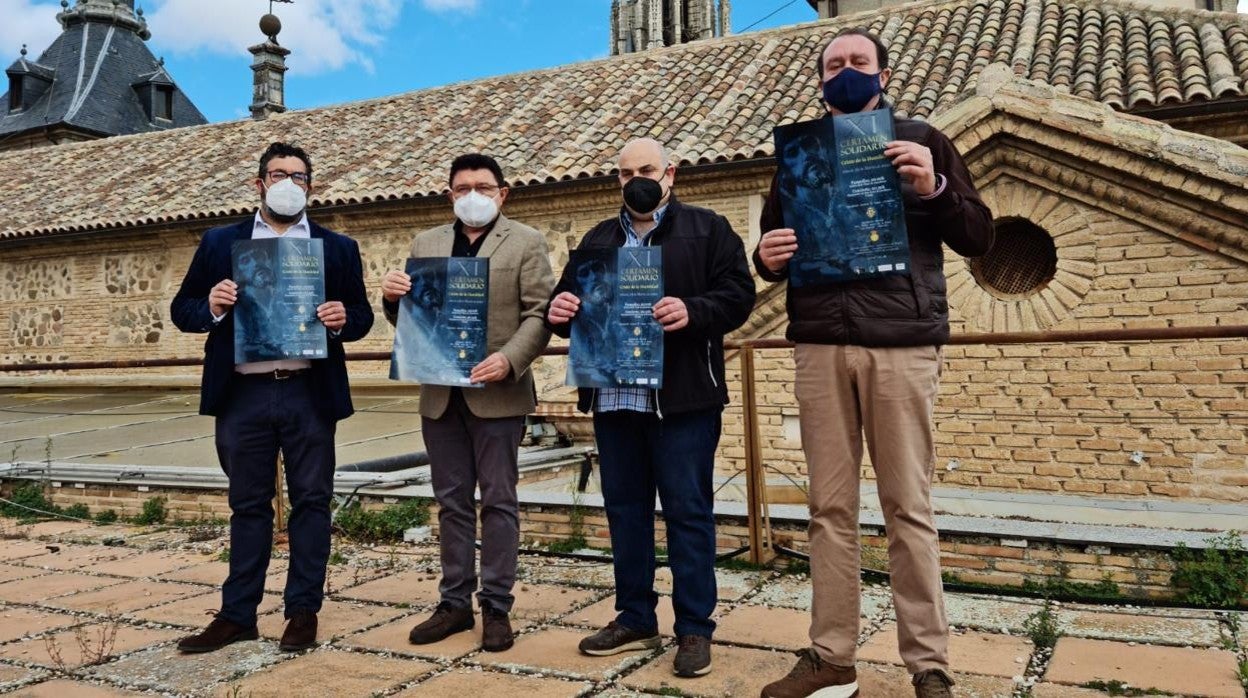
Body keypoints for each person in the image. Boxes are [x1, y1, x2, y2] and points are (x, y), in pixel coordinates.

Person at [754, 28, 994, 698]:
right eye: (835, 65)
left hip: (902, 343)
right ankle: (831, 657)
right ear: (821, 80)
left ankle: (929, 663)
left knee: (906, 505)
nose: (847, 72)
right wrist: (764, 258)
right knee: (829, 507)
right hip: (820, 344)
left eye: (859, 62)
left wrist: (935, 186)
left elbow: (979, 234)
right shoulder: (799, 155)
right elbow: (774, 245)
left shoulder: (922, 139)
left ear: (883, 75)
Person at [546, 138, 756, 678]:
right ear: (616, 180)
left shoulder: (708, 229)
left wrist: (693, 308)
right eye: (624, 172)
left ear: (670, 174)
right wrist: (559, 309)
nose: (635, 178)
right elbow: (566, 305)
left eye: (645, 169)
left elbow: (739, 296)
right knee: (625, 512)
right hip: (614, 398)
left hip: (683, 400)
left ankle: (694, 629)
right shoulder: (596, 239)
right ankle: (635, 615)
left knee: (688, 513)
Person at [170, 142, 374, 653]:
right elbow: (182, 308)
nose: (289, 182)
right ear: (259, 183)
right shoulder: (221, 242)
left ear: (311, 186)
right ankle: (237, 614)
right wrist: (212, 307)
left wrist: (344, 319)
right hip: (244, 394)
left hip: (309, 392)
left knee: (312, 502)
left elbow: (363, 316)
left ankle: (302, 611)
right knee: (247, 505)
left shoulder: (337, 248)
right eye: (279, 174)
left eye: (299, 176)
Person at [380, 153, 554, 653]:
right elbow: (414, 321)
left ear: (503, 193)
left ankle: (495, 605)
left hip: (498, 394)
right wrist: (393, 300)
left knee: (499, 501)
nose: (472, 194)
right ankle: (453, 603)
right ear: (450, 193)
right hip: (440, 396)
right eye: (462, 187)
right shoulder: (426, 243)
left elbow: (540, 314)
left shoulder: (526, 242)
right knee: (451, 502)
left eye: (482, 186)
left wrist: (510, 359)